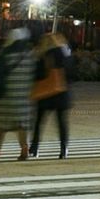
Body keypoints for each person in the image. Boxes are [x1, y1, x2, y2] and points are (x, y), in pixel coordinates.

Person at [0, 28, 37, 161]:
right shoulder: (29, 56)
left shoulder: (5, 55)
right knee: (22, 125)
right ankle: (24, 147)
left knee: (1, 126)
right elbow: (35, 74)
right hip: (24, 97)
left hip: (7, 96)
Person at [28, 31, 75, 159]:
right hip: (62, 93)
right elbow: (71, 74)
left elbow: (37, 74)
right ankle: (64, 149)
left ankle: (34, 148)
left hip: (46, 94)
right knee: (61, 123)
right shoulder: (66, 55)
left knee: (39, 122)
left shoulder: (43, 55)